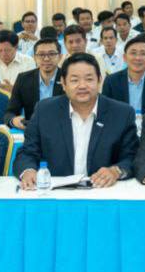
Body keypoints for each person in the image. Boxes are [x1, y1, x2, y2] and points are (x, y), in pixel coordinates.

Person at [15, 54, 138, 187]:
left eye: (89, 79)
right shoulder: (45, 110)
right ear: (63, 83)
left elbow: (132, 157)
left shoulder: (122, 113)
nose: (82, 86)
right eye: (74, 80)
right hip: (56, 192)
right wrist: (28, 171)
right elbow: (27, 152)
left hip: (103, 191)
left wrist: (116, 171)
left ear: (99, 81)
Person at [4, 38, 64, 128]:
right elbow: (10, 112)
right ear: (34, 57)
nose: (46, 59)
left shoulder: (68, 78)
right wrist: (14, 121)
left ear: (60, 56)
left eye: (51, 54)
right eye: (41, 54)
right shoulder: (23, 79)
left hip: (62, 129)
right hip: (32, 130)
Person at [102, 33, 145, 114]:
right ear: (125, 58)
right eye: (133, 53)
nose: (138, 58)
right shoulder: (111, 81)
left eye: (143, 53)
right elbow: (105, 110)